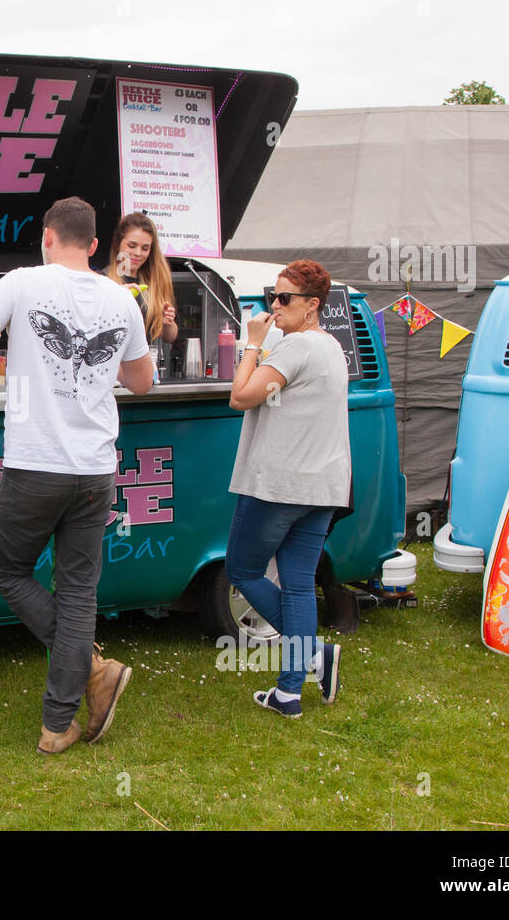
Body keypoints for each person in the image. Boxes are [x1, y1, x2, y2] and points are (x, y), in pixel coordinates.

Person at [0, 197, 153, 754]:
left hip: (36, 463)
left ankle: (93, 674)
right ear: (97, 245)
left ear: (47, 237)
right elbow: (143, 382)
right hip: (95, 467)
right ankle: (59, 723)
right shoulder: (122, 298)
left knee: (7, 569)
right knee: (79, 594)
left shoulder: (23, 283)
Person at [226, 259, 351, 718]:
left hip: (279, 485)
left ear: (312, 305)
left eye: (284, 299)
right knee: (298, 584)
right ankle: (289, 692)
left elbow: (241, 396)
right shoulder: (330, 347)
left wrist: (251, 345)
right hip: (322, 487)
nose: (274, 307)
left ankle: (313, 654)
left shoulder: (295, 348)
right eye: (271, 298)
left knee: (243, 570)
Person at [105, 212, 178, 345]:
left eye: (145, 248)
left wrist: (168, 323)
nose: (138, 253)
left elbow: (170, 337)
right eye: (131, 246)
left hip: (144, 361)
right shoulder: (103, 280)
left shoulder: (155, 281)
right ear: (117, 244)